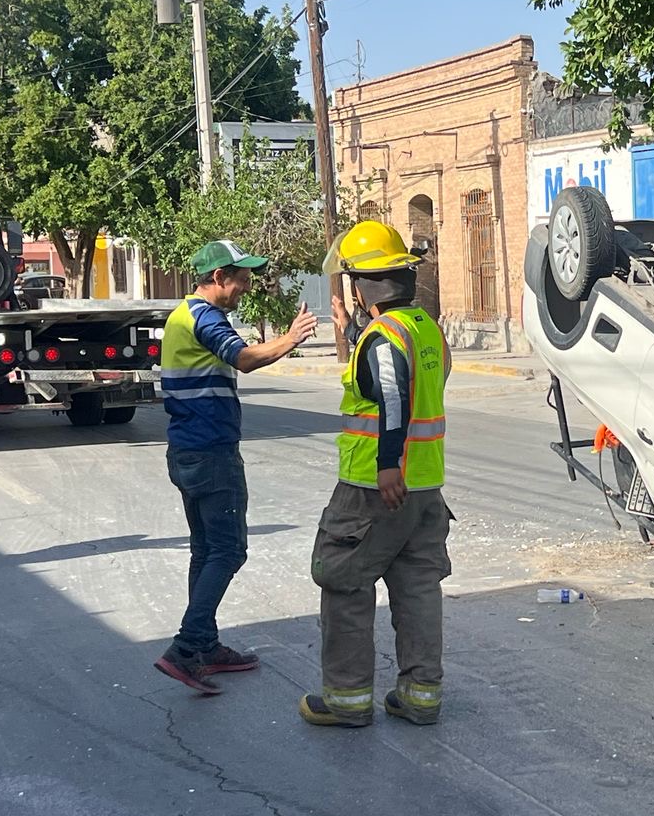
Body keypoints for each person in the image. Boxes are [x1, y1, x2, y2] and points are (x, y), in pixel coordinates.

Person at [301, 219, 453, 729]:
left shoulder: (383, 338)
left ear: (364, 285)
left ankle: (346, 699)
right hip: (426, 489)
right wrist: (352, 330)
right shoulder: (425, 329)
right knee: (417, 589)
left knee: (345, 584)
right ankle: (420, 695)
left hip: (374, 489)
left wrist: (388, 465)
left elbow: (391, 396)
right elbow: (406, 379)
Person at [153, 240, 318, 694]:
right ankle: (187, 647)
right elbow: (244, 360)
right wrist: (291, 337)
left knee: (206, 551)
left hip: (187, 449)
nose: (246, 286)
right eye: (241, 278)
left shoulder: (182, 315)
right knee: (228, 551)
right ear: (218, 277)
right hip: (211, 451)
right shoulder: (205, 317)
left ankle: (204, 646)